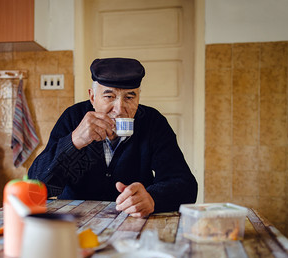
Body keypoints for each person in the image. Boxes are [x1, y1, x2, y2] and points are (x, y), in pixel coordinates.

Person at [28, 58, 197, 217]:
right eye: (109, 96)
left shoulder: (153, 122)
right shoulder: (73, 118)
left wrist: (153, 198)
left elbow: (186, 186)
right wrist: (74, 142)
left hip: (132, 221)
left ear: (138, 98)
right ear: (93, 97)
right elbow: (35, 187)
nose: (120, 109)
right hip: (75, 221)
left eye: (130, 97)